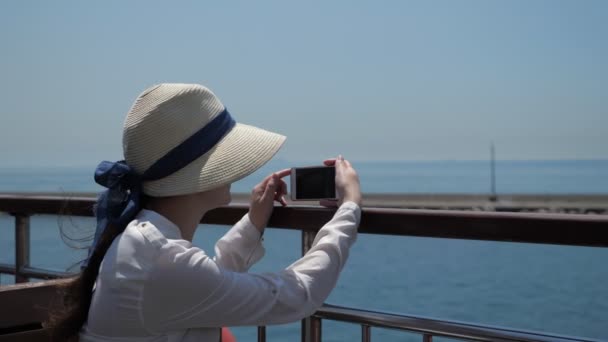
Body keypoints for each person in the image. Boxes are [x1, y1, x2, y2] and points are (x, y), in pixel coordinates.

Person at [46, 83, 362, 341]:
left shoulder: (144, 242)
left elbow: (206, 285)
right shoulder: (159, 259)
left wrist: (254, 222)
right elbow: (295, 295)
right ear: (197, 176)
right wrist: (349, 208)